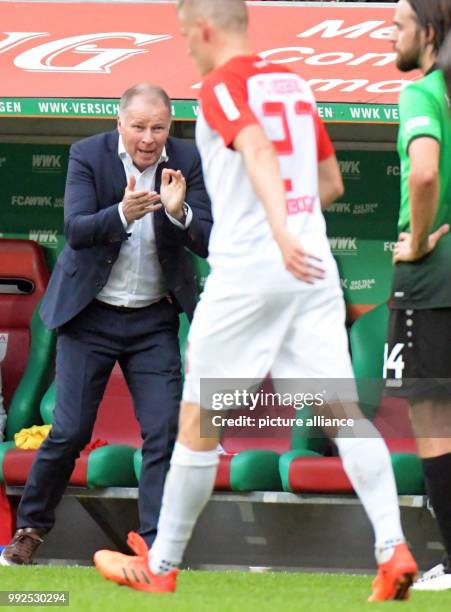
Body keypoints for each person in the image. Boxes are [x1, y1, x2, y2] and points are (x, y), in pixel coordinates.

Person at [94, 0, 417, 601]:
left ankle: (161, 567)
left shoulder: (220, 85)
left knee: (198, 418)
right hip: (314, 267)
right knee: (341, 413)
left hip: (253, 268)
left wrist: (276, 228)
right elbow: (330, 183)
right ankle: (391, 548)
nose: (187, 47)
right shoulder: (294, 86)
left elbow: (259, 152)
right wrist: (295, 226)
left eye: (188, 35)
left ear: (209, 29)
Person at [0, 83, 212, 566]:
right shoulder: (87, 155)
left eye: (158, 128)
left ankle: (158, 549)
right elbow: (75, 229)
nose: (148, 138)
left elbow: (210, 238)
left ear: (169, 126)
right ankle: (30, 529)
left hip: (153, 319)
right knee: (69, 430)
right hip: (89, 315)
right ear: (120, 123)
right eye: (138, 127)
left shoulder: (188, 159)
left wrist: (180, 214)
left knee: (162, 430)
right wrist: (121, 213)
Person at [384, 0, 451, 592]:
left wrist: (422, 238)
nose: (390, 35)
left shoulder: (423, 93)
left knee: (433, 423)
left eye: (399, 25)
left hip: (433, 278)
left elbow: (424, 173)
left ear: (428, 35)